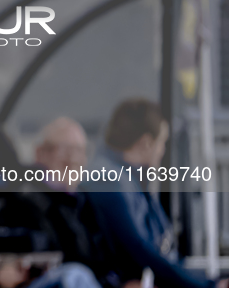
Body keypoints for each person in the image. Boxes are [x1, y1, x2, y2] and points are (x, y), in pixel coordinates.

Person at [82, 98, 228, 288]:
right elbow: (143, 249)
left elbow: (162, 247)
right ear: (146, 143)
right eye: (162, 143)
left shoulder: (130, 179)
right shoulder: (110, 180)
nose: (162, 151)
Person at [0, 117, 115, 288]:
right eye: (63, 149)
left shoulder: (85, 203)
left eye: (79, 150)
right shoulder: (22, 201)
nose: (72, 158)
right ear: (40, 153)